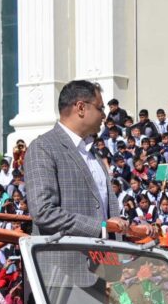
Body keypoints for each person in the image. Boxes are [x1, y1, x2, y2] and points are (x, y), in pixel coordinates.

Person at [24, 80, 155, 239]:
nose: (104, 116)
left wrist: (129, 230)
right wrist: (102, 227)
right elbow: (44, 212)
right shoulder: (43, 147)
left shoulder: (93, 152)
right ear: (81, 108)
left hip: (105, 253)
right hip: (67, 254)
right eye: (100, 108)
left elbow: (105, 213)